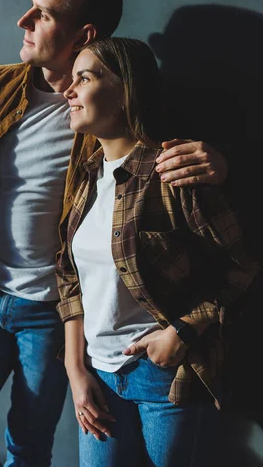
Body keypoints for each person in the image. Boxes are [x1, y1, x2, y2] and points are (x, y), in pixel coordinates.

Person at [0, 0, 227, 467]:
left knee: (29, 446)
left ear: (83, 32)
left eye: (43, 14)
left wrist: (219, 161)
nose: (24, 20)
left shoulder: (107, 112)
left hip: (53, 315)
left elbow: (171, 158)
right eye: (31, 5)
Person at [58, 37, 260, 467]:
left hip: (166, 377)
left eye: (84, 78)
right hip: (98, 376)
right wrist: (77, 373)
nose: (67, 91)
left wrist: (182, 332)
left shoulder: (173, 172)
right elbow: (69, 277)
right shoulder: (86, 176)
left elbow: (241, 266)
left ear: (125, 92)